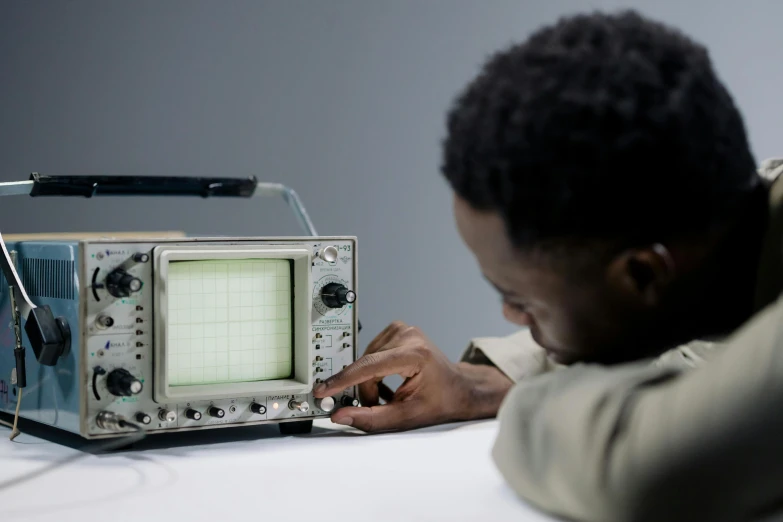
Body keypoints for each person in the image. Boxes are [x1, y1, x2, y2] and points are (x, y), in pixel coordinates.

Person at [314, 9, 783, 521]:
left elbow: (639, 469)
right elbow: (705, 354)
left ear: (645, 275)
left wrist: (536, 404)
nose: (512, 318)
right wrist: (477, 385)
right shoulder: (721, 222)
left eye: (520, 300)